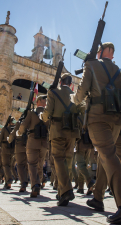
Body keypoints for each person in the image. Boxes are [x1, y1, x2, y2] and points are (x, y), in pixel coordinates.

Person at [73, 42, 121, 223]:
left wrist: (74, 99)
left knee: (108, 157)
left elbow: (81, 93)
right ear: (113, 55)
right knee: (106, 157)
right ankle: (98, 198)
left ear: (100, 52)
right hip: (116, 121)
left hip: (98, 118)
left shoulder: (91, 65)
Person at [42, 73, 79, 206]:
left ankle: (66, 190)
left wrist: (43, 117)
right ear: (71, 84)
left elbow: (48, 112)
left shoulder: (53, 92)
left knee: (58, 159)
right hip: (72, 131)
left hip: (57, 130)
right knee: (68, 161)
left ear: (60, 82)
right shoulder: (75, 95)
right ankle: (62, 191)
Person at [17, 95, 49, 198]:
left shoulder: (31, 113)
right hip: (44, 143)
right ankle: (37, 187)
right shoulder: (49, 113)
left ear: (38, 101)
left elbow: (23, 125)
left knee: (32, 164)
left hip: (32, 141)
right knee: (40, 164)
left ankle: (35, 184)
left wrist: (19, 132)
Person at [9, 118, 28, 191]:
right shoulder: (32, 120)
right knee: (28, 165)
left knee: (20, 165)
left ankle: (23, 182)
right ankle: (28, 181)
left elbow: (13, 134)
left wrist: (9, 140)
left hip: (19, 147)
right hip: (29, 146)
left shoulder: (19, 123)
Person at [0, 119, 16, 189]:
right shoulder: (16, 129)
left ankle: (9, 179)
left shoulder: (4, 129)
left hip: (5, 149)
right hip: (13, 150)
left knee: (5, 165)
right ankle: (7, 183)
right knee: (10, 166)